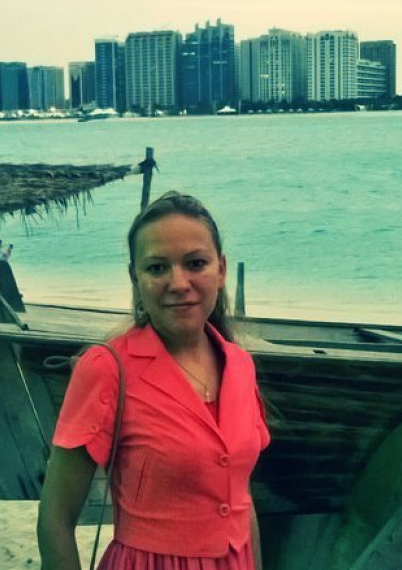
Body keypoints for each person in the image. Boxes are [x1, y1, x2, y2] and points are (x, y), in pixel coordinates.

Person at [37, 192, 270, 570]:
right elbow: (56, 519)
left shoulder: (240, 366)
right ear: (135, 277)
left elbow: (241, 503)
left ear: (222, 269)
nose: (178, 283)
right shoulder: (106, 368)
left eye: (196, 263)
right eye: (158, 268)